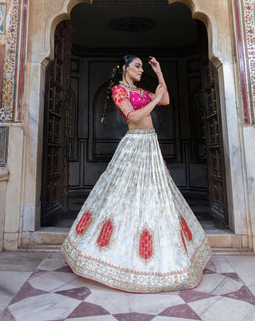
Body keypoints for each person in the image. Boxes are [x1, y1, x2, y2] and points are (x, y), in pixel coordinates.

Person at [61, 54, 211, 293]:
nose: (142, 70)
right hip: (133, 145)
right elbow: (133, 117)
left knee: (154, 196)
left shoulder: (142, 91)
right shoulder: (119, 90)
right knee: (122, 196)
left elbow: (166, 101)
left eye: (143, 67)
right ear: (125, 68)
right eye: (138, 66)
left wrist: (160, 74)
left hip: (150, 145)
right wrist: (155, 99)